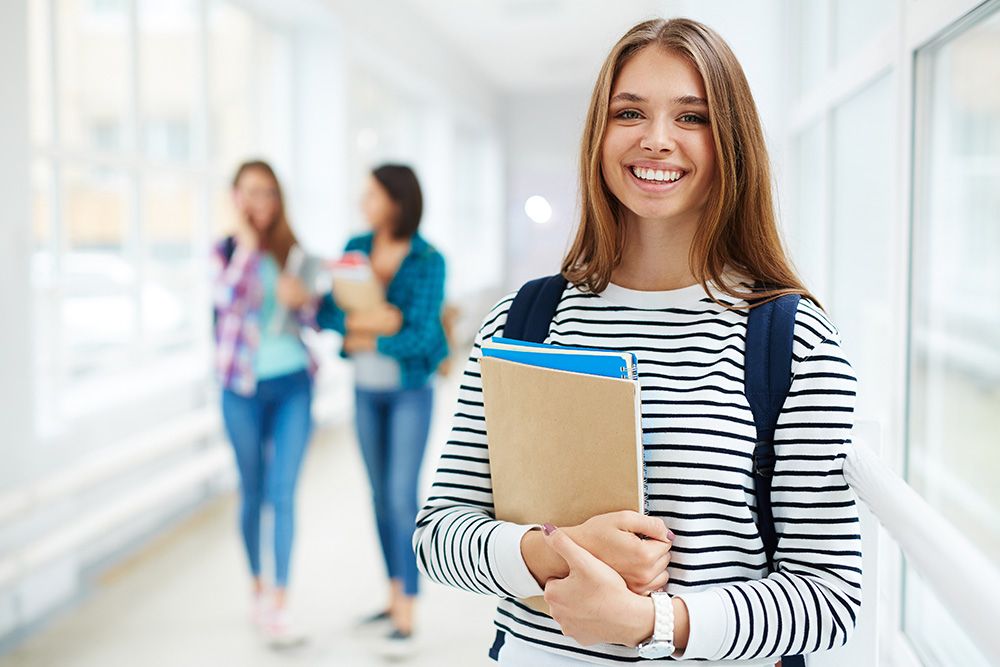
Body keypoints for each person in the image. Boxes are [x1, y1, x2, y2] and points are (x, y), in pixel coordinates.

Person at [413, 18, 861, 666]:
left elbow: (828, 596)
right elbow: (438, 534)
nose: (656, 140)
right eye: (630, 112)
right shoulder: (522, 320)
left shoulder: (791, 341)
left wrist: (654, 622)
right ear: (599, 133)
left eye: (691, 117)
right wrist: (553, 548)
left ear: (730, 141)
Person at [316, 164, 448, 656]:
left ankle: (408, 610)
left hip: (411, 391)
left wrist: (364, 330)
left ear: (397, 200)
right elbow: (328, 313)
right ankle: (393, 594)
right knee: (377, 496)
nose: (362, 202)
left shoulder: (428, 259)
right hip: (365, 392)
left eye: (372, 194)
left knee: (399, 496)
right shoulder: (356, 247)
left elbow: (422, 335)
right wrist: (375, 323)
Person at [212, 160, 317, 647]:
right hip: (241, 388)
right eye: (251, 192)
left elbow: (315, 320)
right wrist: (248, 248)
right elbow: (226, 299)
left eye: (269, 193)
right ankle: (256, 587)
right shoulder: (225, 250)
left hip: (293, 383)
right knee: (252, 490)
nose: (260, 202)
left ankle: (279, 601)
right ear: (235, 197)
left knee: (283, 491)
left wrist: (303, 300)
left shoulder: (292, 251)